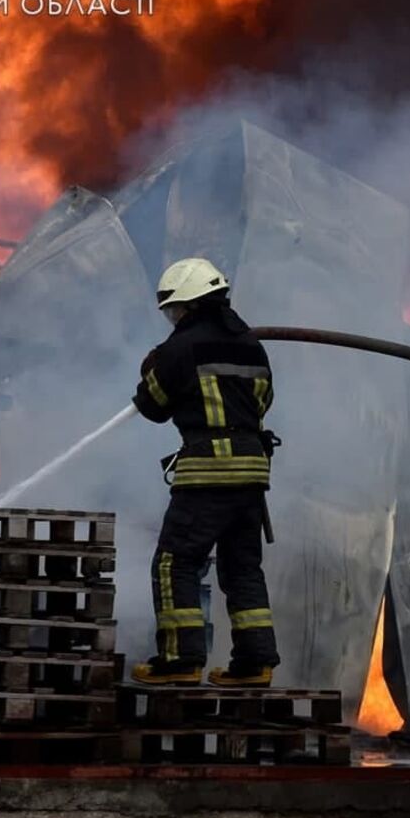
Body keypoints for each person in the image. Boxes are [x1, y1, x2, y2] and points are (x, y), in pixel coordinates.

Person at [129, 257, 281, 687]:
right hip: (252, 472)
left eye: (175, 310)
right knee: (242, 568)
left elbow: (152, 406)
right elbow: (264, 401)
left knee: (175, 561)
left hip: (208, 473)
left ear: (191, 305)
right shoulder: (253, 345)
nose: (173, 318)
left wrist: (151, 368)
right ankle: (255, 663)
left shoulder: (180, 348)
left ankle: (180, 659)